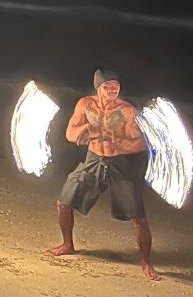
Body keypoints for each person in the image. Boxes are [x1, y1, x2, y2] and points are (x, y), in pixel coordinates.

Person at [48, 68, 160, 281]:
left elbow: (139, 143)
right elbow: (70, 133)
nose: (112, 90)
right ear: (98, 87)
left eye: (116, 86)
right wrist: (87, 130)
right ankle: (68, 244)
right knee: (63, 202)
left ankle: (146, 262)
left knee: (138, 216)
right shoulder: (85, 104)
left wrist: (113, 139)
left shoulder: (127, 111)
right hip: (93, 160)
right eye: (107, 87)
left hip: (120, 163)